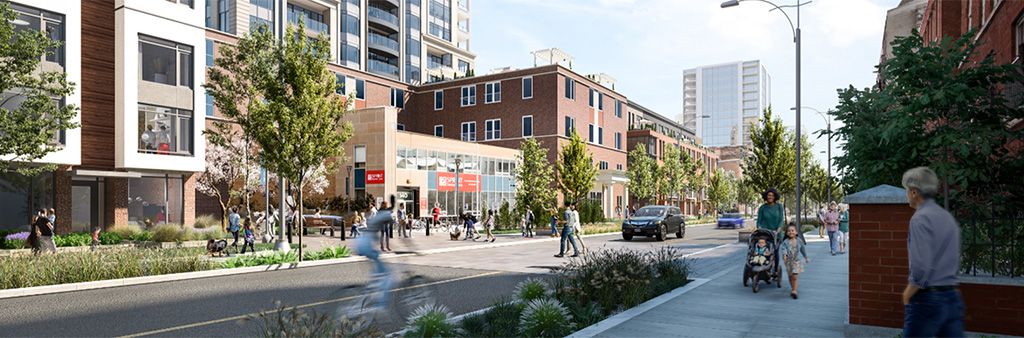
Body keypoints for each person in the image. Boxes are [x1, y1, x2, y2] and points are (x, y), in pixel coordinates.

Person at [901, 167, 963, 337]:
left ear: (914, 192)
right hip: (951, 296)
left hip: (927, 299)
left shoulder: (920, 218)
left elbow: (920, 265)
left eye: (906, 190)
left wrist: (909, 293)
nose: (906, 194)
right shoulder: (946, 217)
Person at [778, 224, 810, 299]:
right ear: (786, 233)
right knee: (790, 275)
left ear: (796, 232)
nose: (791, 232)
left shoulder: (799, 241)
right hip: (788, 261)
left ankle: (794, 290)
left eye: (792, 231)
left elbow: (803, 249)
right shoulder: (785, 242)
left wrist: (806, 257)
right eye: (789, 231)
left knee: (795, 276)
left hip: (796, 261)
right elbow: (783, 249)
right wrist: (785, 255)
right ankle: (792, 288)